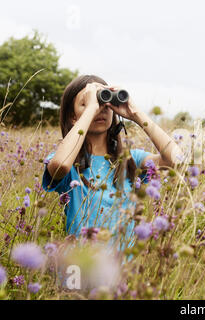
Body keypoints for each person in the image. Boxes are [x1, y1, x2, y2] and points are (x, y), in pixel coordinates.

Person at [41, 75, 183, 249]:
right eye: (86, 103)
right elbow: (60, 166)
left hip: (123, 270)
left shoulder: (131, 160)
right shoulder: (69, 161)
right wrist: (91, 109)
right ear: (73, 117)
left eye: (104, 102)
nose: (100, 109)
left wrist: (135, 114)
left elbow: (176, 160)